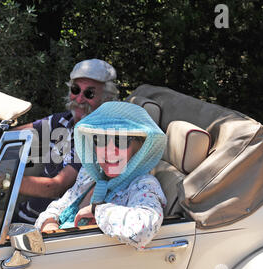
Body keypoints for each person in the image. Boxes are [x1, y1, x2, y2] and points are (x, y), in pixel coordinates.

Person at [34, 101, 168, 250]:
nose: (108, 151)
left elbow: (141, 230)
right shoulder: (90, 175)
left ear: (140, 147)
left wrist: (96, 210)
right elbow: (58, 206)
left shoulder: (144, 185)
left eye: (121, 141)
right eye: (100, 140)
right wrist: (50, 224)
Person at [10, 59, 120, 224]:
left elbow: (55, 187)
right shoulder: (63, 120)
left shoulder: (99, 140)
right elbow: (15, 135)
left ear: (106, 99)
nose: (79, 99)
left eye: (89, 93)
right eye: (75, 90)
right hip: (25, 214)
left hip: (49, 226)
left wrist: (2, 181)